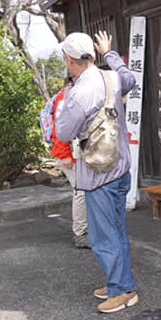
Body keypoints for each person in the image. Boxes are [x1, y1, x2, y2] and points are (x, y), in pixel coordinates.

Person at [55, 31, 139, 313]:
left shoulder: (78, 93)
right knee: (117, 230)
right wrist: (110, 53)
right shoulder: (110, 76)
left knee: (103, 236)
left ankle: (122, 290)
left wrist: (66, 98)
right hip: (120, 165)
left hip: (98, 171)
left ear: (69, 59)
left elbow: (63, 132)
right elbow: (130, 79)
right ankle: (121, 282)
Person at [50, 74, 89, 249]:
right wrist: (65, 154)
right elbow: (60, 129)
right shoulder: (65, 98)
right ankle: (80, 233)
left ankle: (85, 230)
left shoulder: (68, 95)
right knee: (80, 191)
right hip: (68, 153)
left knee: (83, 191)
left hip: (75, 152)